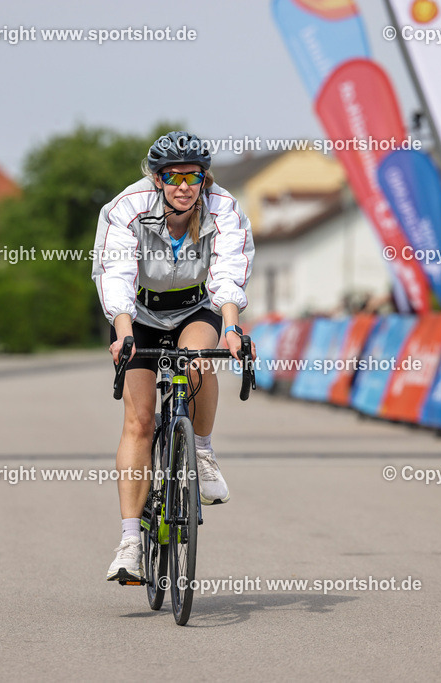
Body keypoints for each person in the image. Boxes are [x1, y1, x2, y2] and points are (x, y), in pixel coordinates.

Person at [91, 131, 256, 582]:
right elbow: (116, 272)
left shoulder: (224, 209)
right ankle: (129, 543)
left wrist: (232, 327)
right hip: (139, 310)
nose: (184, 185)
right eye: (173, 176)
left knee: (198, 358)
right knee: (140, 420)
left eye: (193, 176)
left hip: (196, 306)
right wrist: (123, 332)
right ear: (157, 178)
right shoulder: (127, 207)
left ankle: (200, 451)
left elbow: (227, 273)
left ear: (205, 178)